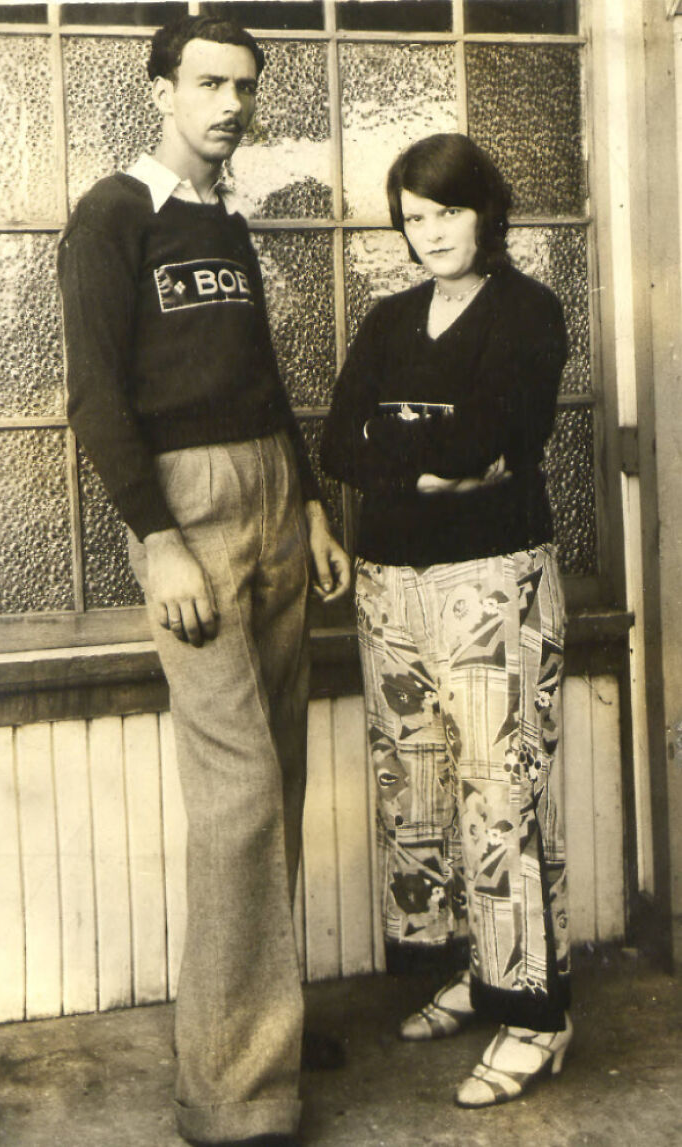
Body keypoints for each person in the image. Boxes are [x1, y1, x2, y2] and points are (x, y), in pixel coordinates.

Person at [58, 14, 350, 1147]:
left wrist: (314, 500)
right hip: (189, 512)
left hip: (276, 495)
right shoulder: (112, 216)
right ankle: (231, 1092)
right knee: (235, 800)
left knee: (277, 771)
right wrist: (157, 537)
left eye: (244, 86)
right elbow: (95, 398)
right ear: (159, 91)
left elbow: (263, 378)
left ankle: (257, 1026)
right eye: (209, 83)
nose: (230, 104)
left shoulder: (224, 219)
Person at [321, 133, 571, 1108]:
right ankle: (479, 972)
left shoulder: (530, 311)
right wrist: (419, 453)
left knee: (500, 795)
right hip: (390, 591)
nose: (430, 235)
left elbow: (495, 438)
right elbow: (343, 438)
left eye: (446, 213)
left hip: (491, 582)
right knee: (421, 786)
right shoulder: (388, 320)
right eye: (412, 219)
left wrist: (412, 439)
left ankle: (535, 1019)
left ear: (486, 212)